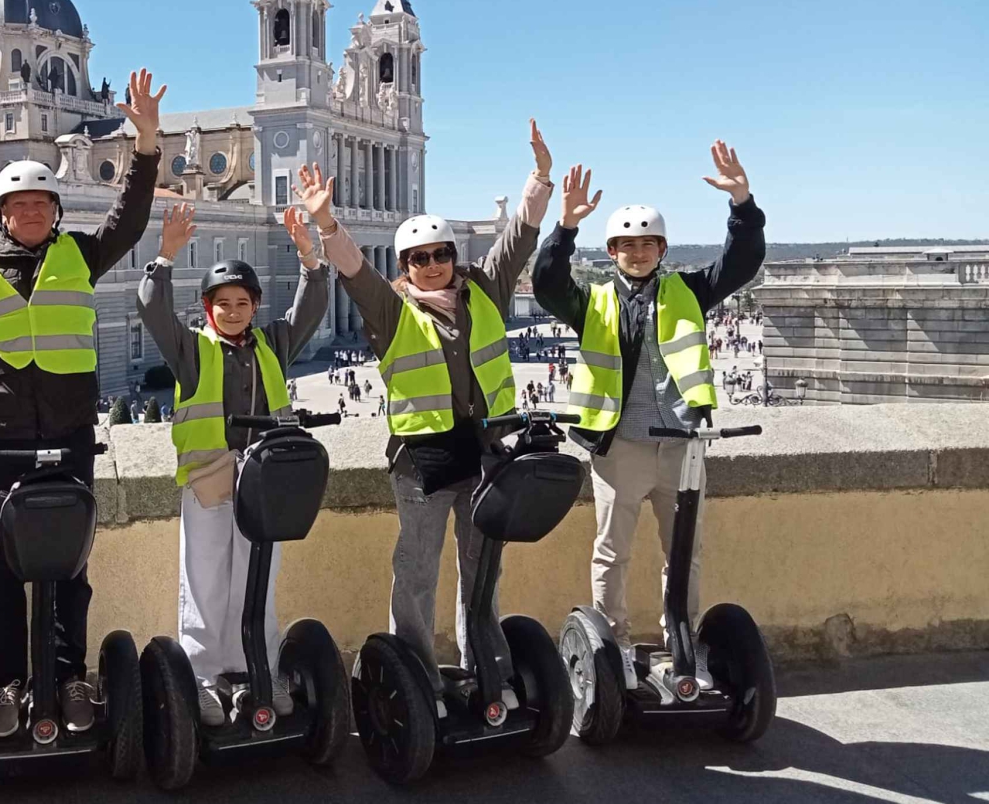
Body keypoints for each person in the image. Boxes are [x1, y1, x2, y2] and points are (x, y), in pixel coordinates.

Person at [0, 63, 165, 739]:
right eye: (19, 205)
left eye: (42, 203)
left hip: (70, 434)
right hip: (4, 439)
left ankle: (70, 676)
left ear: (56, 211)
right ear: (3, 215)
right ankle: (9, 681)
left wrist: (146, 144)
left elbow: (130, 219)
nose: (31, 212)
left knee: (72, 569)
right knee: (5, 572)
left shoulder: (83, 256)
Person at [318, 118, 552, 703]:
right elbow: (355, 271)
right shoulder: (392, 310)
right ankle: (416, 676)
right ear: (405, 266)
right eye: (418, 257)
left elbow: (518, 240)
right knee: (417, 574)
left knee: (482, 574)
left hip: (488, 454)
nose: (432, 264)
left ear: (453, 255)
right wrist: (326, 223)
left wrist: (540, 180)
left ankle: (486, 670)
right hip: (422, 461)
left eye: (441, 254)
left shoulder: (485, 291)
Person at [531, 141, 766, 684]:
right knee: (612, 551)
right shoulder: (592, 301)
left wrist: (742, 204)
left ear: (662, 249)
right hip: (621, 448)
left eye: (647, 244)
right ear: (612, 251)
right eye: (627, 245)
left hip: (681, 446)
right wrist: (565, 228)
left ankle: (681, 642)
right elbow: (546, 284)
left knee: (684, 553)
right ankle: (610, 647)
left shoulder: (689, 291)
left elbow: (741, 263)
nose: (637, 253)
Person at [137, 201, 327, 725]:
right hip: (209, 480)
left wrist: (308, 256)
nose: (233, 310)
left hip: (264, 479)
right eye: (223, 303)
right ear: (208, 308)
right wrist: (165, 256)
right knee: (204, 582)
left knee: (258, 580)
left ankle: (258, 668)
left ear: (255, 306)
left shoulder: (273, 344)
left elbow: (311, 308)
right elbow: (152, 309)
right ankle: (202, 676)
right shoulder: (191, 350)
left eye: (242, 302)